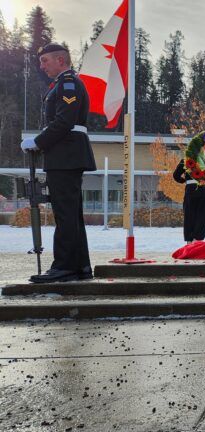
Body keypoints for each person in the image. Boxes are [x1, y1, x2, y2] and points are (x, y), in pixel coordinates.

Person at [20, 43, 96, 283]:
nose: (41, 66)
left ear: (60, 60)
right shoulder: (62, 83)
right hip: (66, 154)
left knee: (65, 214)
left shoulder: (67, 84)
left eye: (45, 61)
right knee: (71, 214)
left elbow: (64, 121)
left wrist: (39, 142)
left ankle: (64, 266)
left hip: (66, 155)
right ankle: (80, 266)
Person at [173, 159, 205, 243]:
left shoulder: (185, 160)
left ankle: (189, 240)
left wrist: (183, 181)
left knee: (189, 215)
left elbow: (175, 175)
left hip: (190, 189)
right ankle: (198, 238)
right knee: (202, 214)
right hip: (202, 189)